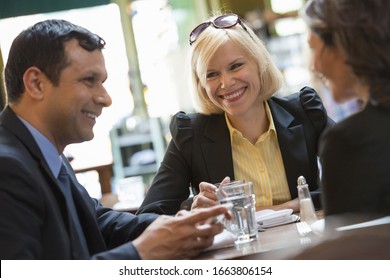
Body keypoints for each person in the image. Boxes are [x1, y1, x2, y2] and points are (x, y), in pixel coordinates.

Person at [0, 19, 230, 260]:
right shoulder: (7, 168)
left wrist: (179, 226)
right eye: (89, 80)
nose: (105, 98)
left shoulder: (45, 152)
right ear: (36, 84)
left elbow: (97, 223)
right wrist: (140, 254)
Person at [137, 13, 334, 216]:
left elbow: (359, 171)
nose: (226, 83)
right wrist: (190, 214)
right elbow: (148, 216)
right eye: (212, 74)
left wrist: (289, 206)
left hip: (310, 246)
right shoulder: (190, 135)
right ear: (201, 84)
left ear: (259, 63)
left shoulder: (305, 112)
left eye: (236, 66)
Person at [304, 0, 390, 219]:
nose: (313, 65)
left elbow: (350, 249)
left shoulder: (348, 142)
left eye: (314, 48)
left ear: (343, 47)